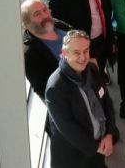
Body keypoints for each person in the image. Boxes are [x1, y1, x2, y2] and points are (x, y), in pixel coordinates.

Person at [45, 30, 119, 168]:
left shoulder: (92, 70)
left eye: (86, 51)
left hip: (98, 147)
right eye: (77, 52)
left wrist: (109, 134)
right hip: (75, 157)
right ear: (64, 53)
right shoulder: (55, 87)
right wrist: (96, 147)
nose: (83, 57)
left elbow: (106, 102)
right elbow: (67, 128)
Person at [22, 0, 71, 100]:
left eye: (45, 9)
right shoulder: (30, 54)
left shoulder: (58, 24)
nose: (45, 15)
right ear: (26, 23)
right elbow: (44, 91)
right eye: (37, 14)